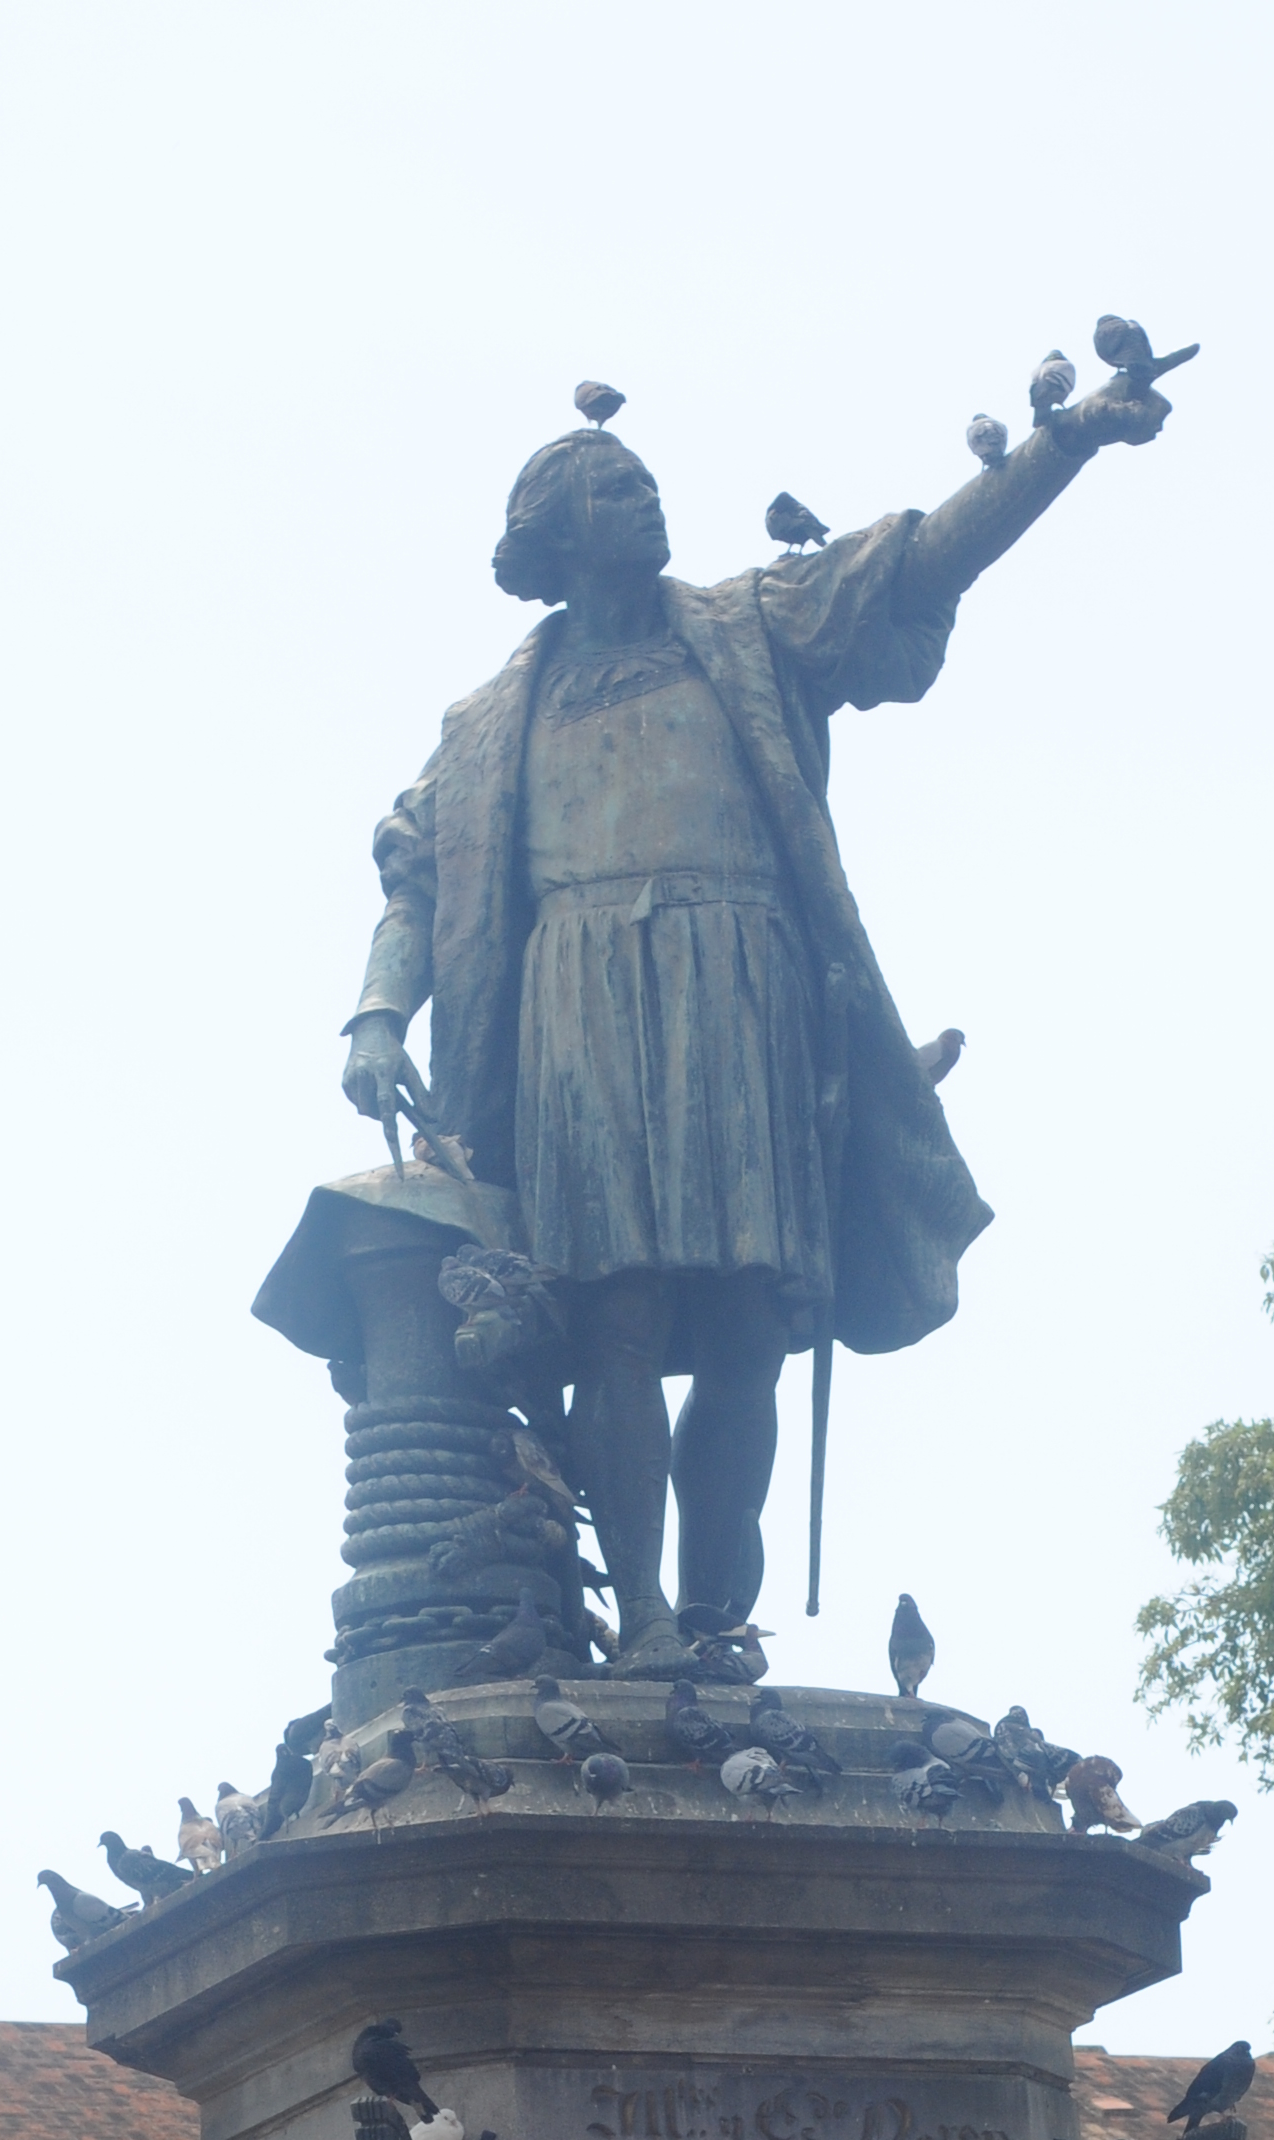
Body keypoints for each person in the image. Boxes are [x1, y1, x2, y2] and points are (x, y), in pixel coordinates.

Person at [338, 370, 1173, 1651]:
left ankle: (719, 1616)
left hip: (741, 993)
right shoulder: (490, 722)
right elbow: (415, 876)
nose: (648, 497)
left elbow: (912, 564)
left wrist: (1062, 446)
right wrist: (379, 1012)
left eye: (647, 481)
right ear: (556, 536)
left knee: (749, 1324)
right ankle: (643, 1616)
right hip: (576, 1018)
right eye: (616, 488)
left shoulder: (747, 626)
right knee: (613, 1314)